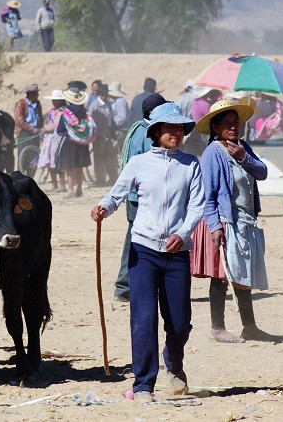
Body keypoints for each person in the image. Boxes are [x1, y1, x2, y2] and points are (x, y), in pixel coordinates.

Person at [90, 102, 204, 402]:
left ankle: (174, 362)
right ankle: (143, 384)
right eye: (170, 129)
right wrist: (104, 207)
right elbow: (116, 194)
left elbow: (197, 206)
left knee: (179, 323)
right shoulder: (139, 163)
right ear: (156, 132)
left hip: (177, 252)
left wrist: (183, 233)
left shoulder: (191, 164)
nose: (176, 134)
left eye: (180, 128)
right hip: (143, 251)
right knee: (143, 318)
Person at [191, 99, 269, 343]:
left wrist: (245, 157)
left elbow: (263, 172)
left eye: (236, 123)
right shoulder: (213, 153)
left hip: (244, 220)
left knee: (242, 274)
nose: (234, 128)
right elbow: (207, 194)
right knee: (222, 274)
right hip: (225, 220)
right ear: (215, 128)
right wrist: (214, 226)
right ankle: (218, 327)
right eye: (227, 124)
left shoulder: (242, 147)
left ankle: (250, 326)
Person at [113, 93, 167, 302]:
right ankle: (124, 286)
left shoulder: (138, 128)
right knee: (136, 242)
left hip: (136, 196)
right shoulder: (147, 134)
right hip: (140, 198)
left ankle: (129, 286)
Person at [57, 84, 95, 198]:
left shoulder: (67, 111)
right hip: (82, 142)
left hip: (70, 141)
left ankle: (70, 190)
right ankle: (79, 190)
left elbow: (60, 129)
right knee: (80, 166)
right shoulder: (84, 111)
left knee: (70, 167)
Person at [87, 82, 119, 186]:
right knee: (99, 160)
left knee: (110, 158)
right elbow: (90, 121)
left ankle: (113, 179)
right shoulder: (94, 105)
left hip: (108, 136)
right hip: (99, 137)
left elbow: (111, 119)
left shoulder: (109, 104)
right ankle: (100, 181)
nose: (104, 96)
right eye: (102, 94)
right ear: (99, 94)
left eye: (105, 94)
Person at [38, 89, 68, 191]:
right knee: (50, 161)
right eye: (53, 100)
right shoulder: (52, 110)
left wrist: (45, 129)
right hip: (50, 138)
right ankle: (54, 184)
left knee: (58, 161)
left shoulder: (63, 111)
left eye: (56, 100)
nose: (54, 102)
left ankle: (62, 185)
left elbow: (55, 124)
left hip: (59, 138)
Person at [14, 82, 44, 151]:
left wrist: (40, 128)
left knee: (35, 153)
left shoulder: (37, 103)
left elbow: (40, 117)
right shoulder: (21, 104)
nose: (38, 95)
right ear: (31, 94)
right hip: (24, 132)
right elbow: (19, 121)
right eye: (36, 93)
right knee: (24, 155)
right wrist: (32, 129)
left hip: (36, 132)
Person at [108, 82, 131, 147]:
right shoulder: (114, 101)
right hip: (118, 130)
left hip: (122, 131)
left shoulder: (120, 101)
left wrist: (113, 124)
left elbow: (122, 117)